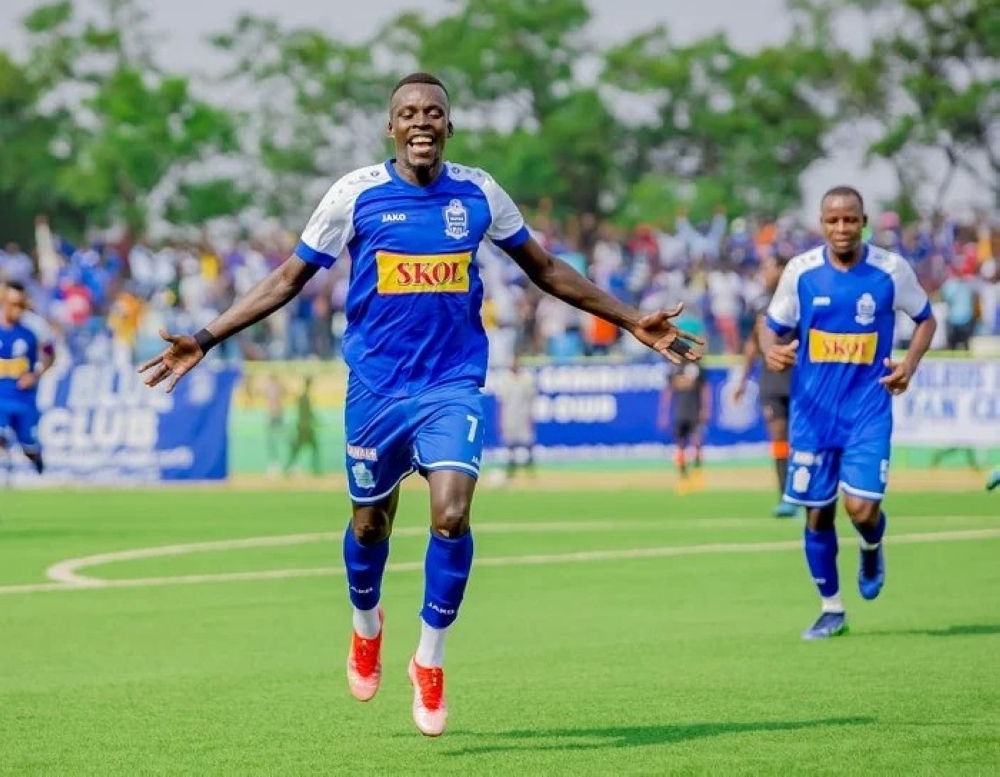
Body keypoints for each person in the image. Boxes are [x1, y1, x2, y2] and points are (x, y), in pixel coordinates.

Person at [138, 72, 703, 737]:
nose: (421, 121)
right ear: (391, 127)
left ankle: (429, 659)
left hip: (451, 384)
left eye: (433, 112)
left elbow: (545, 268)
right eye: (408, 112)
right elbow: (288, 279)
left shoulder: (480, 192)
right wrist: (205, 338)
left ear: (449, 126)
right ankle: (366, 623)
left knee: (451, 513)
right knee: (371, 524)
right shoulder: (355, 195)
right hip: (376, 388)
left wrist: (634, 319)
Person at [762, 186, 936, 640]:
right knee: (817, 515)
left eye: (850, 220)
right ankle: (831, 608)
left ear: (864, 221)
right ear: (822, 224)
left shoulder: (890, 270)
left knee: (860, 509)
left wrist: (909, 366)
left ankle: (872, 544)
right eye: (833, 221)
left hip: (867, 412)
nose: (842, 228)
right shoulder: (800, 272)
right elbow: (770, 324)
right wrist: (771, 351)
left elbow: (925, 318)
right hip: (812, 415)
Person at [734, 256, 798, 518]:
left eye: (769, 266)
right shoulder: (759, 303)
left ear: (783, 270)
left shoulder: (800, 299)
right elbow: (752, 344)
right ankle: (786, 496)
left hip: (800, 378)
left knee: (804, 439)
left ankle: (809, 490)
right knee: (779, 437)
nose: (764, 271)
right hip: (771, 380)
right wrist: (741, 381)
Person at [0, 282, 49, 476]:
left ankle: (38, 464)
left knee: (29, 445)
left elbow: (49, 352)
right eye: (11, 303)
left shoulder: (33, 328)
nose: (15, 309)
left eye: (20, 304)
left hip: (24, 399)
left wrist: (36, 373)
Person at [658, 360, 710, 494]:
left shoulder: (697, 368)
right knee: (680, 445)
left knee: (697, 442)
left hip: (694, 411)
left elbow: (705, 389)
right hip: (679, 412)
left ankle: (697, 473)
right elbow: (668, 391)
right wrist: (664, 412)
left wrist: (706, 408)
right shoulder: (673, 368)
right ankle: (683, 478)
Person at [491, 355, 537, 485]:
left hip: (523, 416)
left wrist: (531, 418)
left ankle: (530, 471)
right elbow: (500, 402)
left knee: (528, 443)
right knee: (510, 445)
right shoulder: (505, 379)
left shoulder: (526, 378)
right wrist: (499, 420)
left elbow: (531, 400)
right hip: (509, 416)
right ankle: (511, 471)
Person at [284, 375, 321, 476]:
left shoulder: (302, 397)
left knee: (298, 449)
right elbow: (308, 413)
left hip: (302, 427)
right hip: (305, 428)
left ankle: (287, 469)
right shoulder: (305, 398)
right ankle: (316, 470)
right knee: (311, 448)